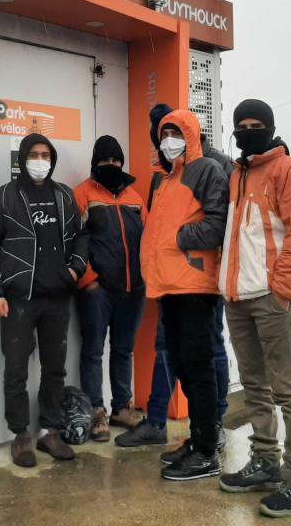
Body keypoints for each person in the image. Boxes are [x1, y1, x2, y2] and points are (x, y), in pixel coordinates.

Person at [217, 99, 291, 519]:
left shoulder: (290, 171)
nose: (247, 130)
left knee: (288, 390)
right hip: (238, 298)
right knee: (255, 386)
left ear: (271, 128)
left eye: (256, 124)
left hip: (273, 299)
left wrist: (282, 290)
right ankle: (265, 461)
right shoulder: (238, 174)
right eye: (241, 125)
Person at [116, 105, 231, 457]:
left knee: (200, 366)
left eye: (174, 134)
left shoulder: (208, 169)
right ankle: (195, 439)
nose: (168, 141)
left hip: (194, 286)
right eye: (163, 135)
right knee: (182, 363)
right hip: (169, 286)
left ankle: (207, 445)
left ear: (191, 135)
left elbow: (216, 223)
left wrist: (177, 238)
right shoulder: (167, 177)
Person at [0, 133, 89, 467]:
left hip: (57, 298)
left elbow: (82, 235)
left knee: (55, 369)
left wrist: (75, 270)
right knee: (16, 370)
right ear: (22, 158)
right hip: (18, 300)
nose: (41, 160)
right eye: (34, 154)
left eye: (46, 155)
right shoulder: (3, 198)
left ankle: (49, 432)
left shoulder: (64, 195)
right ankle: (20, 436)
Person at [73, 135, 147, 442]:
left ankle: (121, 408)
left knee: (123, 350)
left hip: (133, 289)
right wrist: (88, 281)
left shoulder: (136, 197)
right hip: (98, 291)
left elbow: (148, 240)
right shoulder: (83, 194)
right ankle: (96, 412)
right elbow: (72, 241)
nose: (111, 165)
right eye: (105, 161)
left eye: (116, 160)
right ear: (94, 163)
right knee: (92, 351)